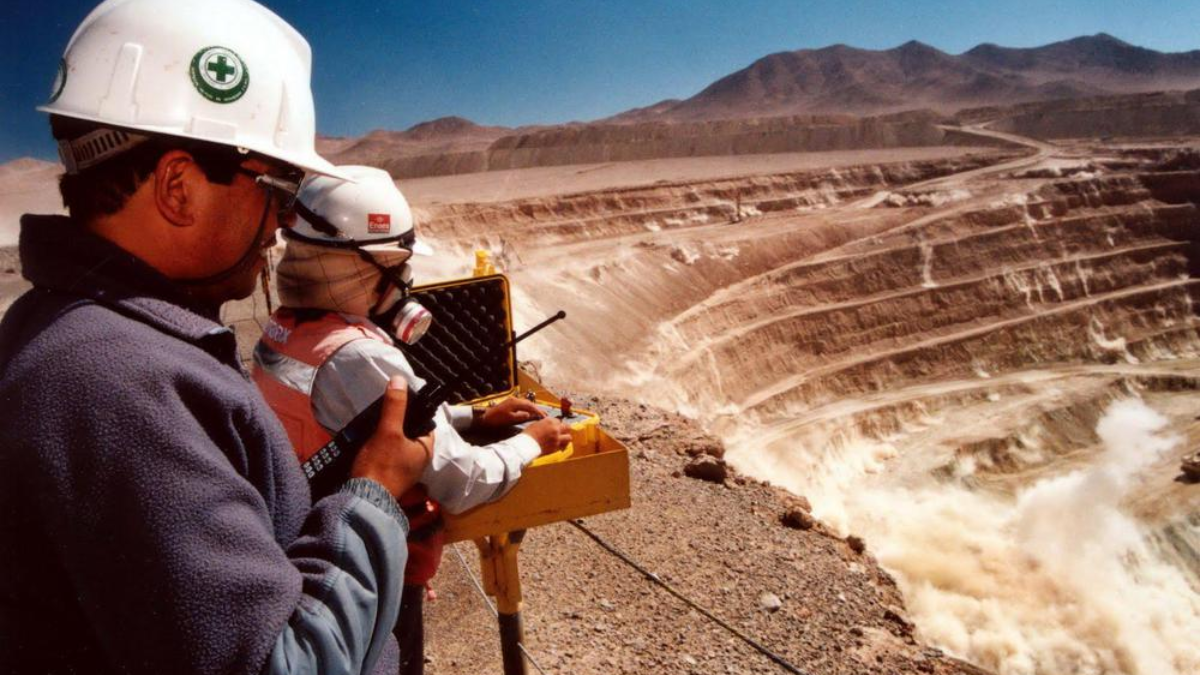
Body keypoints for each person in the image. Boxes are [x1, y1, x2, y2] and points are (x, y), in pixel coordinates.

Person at [0, 1, 432, 673]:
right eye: (278, 186)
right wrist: (373, 497)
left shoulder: (93, 337)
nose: (282, 224)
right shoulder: (117, 385)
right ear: (178, 187)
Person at [252, 164, 572, 675]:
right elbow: (463, 481)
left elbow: (372, 421)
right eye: (398, 265)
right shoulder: (361, 356)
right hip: (368, 574)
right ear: (367, 266)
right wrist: (532, 441)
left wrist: (475, 417)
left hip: (313, 542)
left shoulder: (287, 330)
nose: (405, 281)